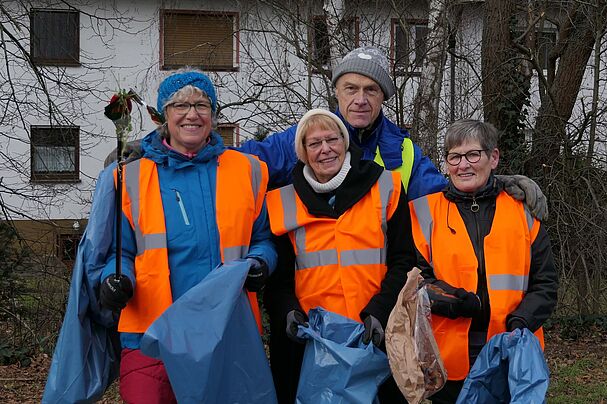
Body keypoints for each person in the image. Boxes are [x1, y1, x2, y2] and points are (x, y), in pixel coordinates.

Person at [98, 69, 277, 403]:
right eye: (180, 105)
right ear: (164, 116)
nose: (192, 114)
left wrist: (260, 263)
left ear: (213, 114)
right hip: (151, 336)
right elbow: (117, 251)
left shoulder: (248, 170)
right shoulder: (130, 176)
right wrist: (113, 279)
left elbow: (263, 239)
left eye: (202, 104)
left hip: (226, 333)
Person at [264, 108, 418, 403]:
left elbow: (403, 260)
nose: (325, 149)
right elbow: (278, 279)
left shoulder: (385, 186)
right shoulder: (281, 201)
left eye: (332, 139)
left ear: (345, 143)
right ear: (303, 152)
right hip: (312, 343)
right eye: (314, 143)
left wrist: (381, 311)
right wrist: (287, 312)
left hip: (373, 335)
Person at [408, 120, 558, 403]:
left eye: (473, 155)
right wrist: (456, 302)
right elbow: (415, 283)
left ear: (494, 158)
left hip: (513, 353)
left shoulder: (523, 211)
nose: (463, 165)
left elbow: (546, 282)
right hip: (447, 360)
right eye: (454, 156)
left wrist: (521, 322)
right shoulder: (424, 213)